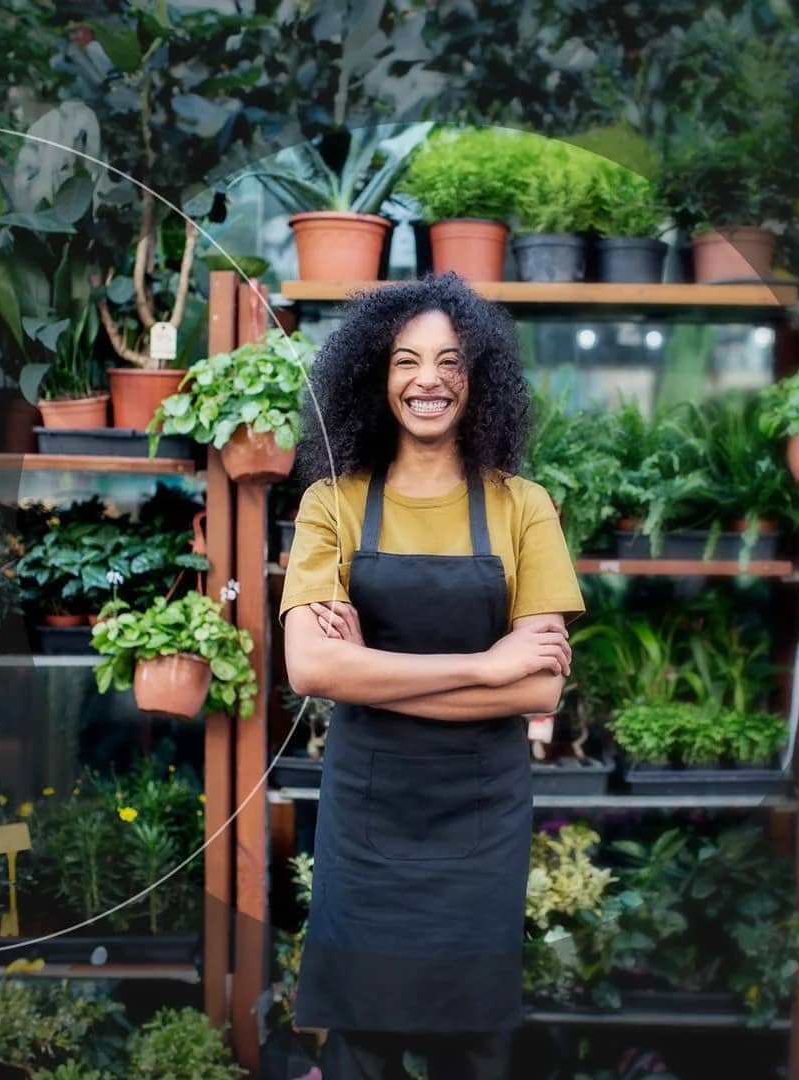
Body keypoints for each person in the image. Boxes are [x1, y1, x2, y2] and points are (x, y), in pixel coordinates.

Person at [278, 273, 584, 1079]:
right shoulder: (330, 505)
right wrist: (488, 664)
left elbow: (539, 689)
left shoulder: (524, 506)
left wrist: (367, 668)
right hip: (369, 813)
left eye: (450, 361)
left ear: (479, 377)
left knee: (476, 1043)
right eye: (405, 361)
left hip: (479, 814)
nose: (428, 380)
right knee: (361, 1039)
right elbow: (310, 665)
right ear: (373, 379)